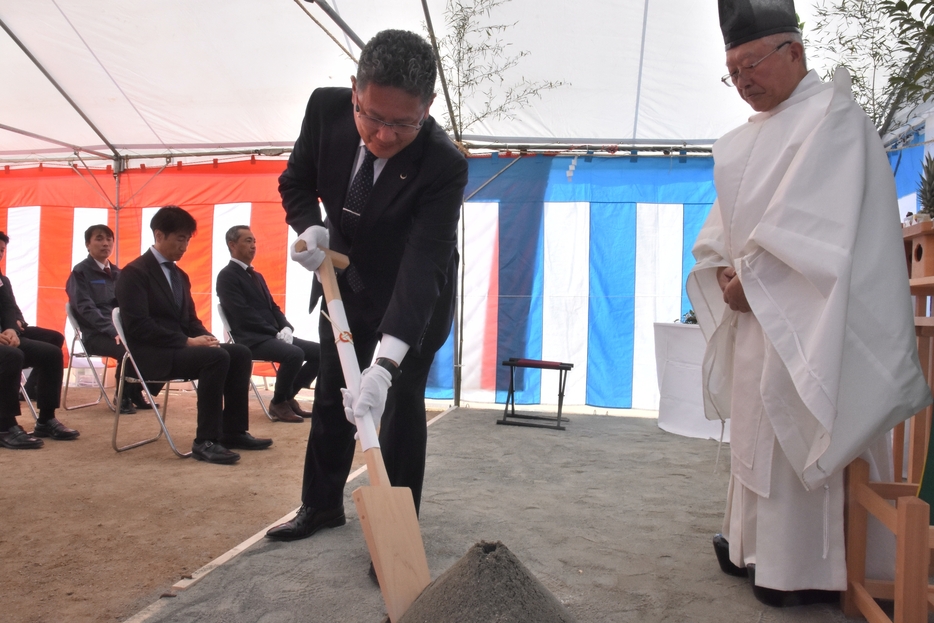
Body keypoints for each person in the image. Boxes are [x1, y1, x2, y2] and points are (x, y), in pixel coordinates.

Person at [687, 0, 933, 607]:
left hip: (811, 316)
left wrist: (756, 279)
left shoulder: (834, 117)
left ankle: (804, 570)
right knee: (755, 429)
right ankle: (751, 548)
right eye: (732, 70)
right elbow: (731, 221)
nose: (742, 80)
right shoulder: (747, 138)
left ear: (793, 51)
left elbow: (820, 229)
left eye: (751, 64)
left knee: (796, 420)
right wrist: (723, 266)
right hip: (758, 315)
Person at [266, 30, 468, 542]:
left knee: (395, 403)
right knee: (335, 394)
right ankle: (321, 505)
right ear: (354, 89)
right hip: (344, 285)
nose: (382, 136)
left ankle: (398, 532)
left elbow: (425, 265)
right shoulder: (325, 110)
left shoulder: (443, 164)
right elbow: (295, 181)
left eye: (402, 124)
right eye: (371, 116)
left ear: (427, 108)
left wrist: (386, 364)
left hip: (411, 298)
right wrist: (309, 226)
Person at [115, 206, 272, 464]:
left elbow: (189, 321)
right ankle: (205, 441)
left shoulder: (180, 275)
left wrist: (207, 337)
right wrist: (186, 341)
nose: (185, 246)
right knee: (216, 359)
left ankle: (233, 431)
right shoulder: (134, 274)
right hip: (151, 354)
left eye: (187, 239)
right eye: (180, 238)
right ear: (159, 235)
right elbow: (138, 326)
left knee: (239, 352)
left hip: (178, 348)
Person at [216, 225, 319, 424]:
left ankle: (288, 396)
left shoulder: (257, 276)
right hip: (250, 339)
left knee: (321, 353)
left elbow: (273, 307)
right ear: (232, 244)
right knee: (294, 353)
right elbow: (242, 314)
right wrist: (274, 332)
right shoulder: (227, 276)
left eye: (254, 241)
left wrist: (286, 327)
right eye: (248, 241)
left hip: (272, 335)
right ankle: (278, 402)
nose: (253, 245)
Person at [66, 224, 158, 414]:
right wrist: (111, 330)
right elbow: (85, 308)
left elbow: (130, 305)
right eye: (99, 239)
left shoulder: (120, 273)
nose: (105, 243)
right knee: (128, 349)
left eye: (109, 239)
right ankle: (122, 395)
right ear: (87, 244)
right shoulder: (80, 272)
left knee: (159, 343)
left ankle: (135, 391)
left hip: (122, 331)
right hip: (96, 335)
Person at [0, 231, 80, 446]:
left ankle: (46, 419)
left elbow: (8, 307)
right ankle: (5, 426)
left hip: (6, 338)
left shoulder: (0, 279)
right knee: (12, 356)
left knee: (52, 352)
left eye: (1, 251)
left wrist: (11, 329)